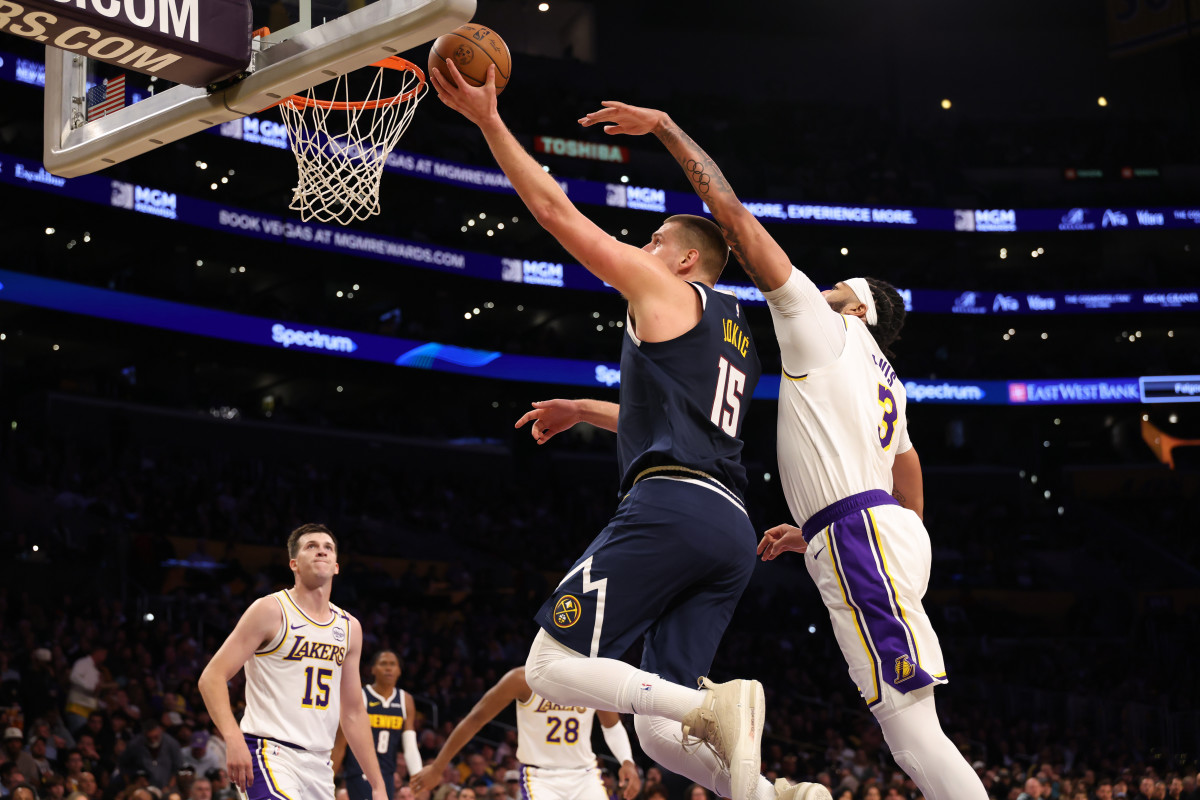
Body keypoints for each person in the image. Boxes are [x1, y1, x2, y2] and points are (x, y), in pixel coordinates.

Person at [577, 101, 986, 800]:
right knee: (909, 723)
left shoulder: (822, 324)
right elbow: (907, 466)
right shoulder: (881, 373)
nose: (818, 288)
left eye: (838, 288)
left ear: (856, 309)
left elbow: (730, 216)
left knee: (912, 732)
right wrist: (840, 523)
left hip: (864, 532)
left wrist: (670, 131)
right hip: (881, 529)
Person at [430, 58, 765, 800]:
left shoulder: (664, 285)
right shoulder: (735, 326)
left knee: (549, 667)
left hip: (672, 507)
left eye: (651, 242)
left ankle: (716, 703)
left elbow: (556, 213)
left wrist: (489, 121)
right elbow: (672, 420)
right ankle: (775, 795)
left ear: (685, 259)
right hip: (731, 527)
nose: (641, 251)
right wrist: (583, 410)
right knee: (655, 734)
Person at [197, 524, 385, 800]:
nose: (321, 550)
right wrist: (233, 738)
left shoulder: (349, 627)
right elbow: (211, 677)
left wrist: (378, 786)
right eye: (311, 546)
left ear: (336, 567)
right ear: (294, 564)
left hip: (320, 762)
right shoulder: (271, 610)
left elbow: (354, 711)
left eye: (328, 547)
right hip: (268, 753)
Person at [411, 668, 640, 800]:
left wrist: (627, 761)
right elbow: (475, 719)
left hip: (585, 775)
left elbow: (611, 725)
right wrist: (439, 767)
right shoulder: (523, 679)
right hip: (540, 778)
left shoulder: (595, 679)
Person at [331, 651, 422, 800]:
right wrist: (329, 777)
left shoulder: (405, 700)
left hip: (387, 774)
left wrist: (417, 778)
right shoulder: (361, 696)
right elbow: (340, 744)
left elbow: (410, 746)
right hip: (359, 773)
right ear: (373, 669)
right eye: (383, 664)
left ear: (399, 670)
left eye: (393, 664)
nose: (388, 668)